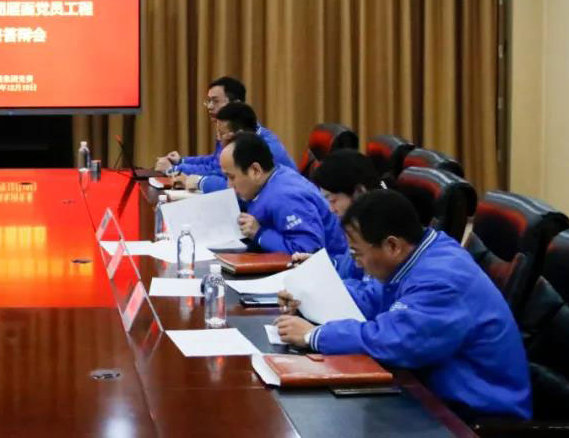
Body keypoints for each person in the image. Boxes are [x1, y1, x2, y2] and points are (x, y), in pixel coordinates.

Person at [274, 190, 532, 420]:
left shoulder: (441, 279)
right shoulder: (417, 254)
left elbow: (395, 340)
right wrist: (309, 297)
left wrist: (313, 335)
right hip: (429, 386)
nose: (357, 264)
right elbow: (372, 297)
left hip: (474, 412)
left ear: (392, 245)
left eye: (356, 254)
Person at [220, 132, 347, 256]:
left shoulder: (286, 197)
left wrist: (260, 234)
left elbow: (308, 252)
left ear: (255, 171)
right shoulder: (269, 179)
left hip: (332, 265)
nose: (229, 186)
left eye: (231, 177)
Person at [303, 149, 384, 279]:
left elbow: (370, 289)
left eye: (333, 200)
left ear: (359, 192)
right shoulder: (361, 221)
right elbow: (351, 268)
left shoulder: (381, 231)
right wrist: (321, 266)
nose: (331, 209)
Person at [182, 102, 295, 193]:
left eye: (221, 133)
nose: (219, 139)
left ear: (239, 134)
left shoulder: (261, 148)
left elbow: (240, 191)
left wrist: (201, 182)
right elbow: (223, 172)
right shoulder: (251, 136)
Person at [155, 76, 246, 174]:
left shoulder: (246, 136)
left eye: (215, 101)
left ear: (236, 104)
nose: (210, 106)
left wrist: (173, 169)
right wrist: (181, 161)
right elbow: (214, 161)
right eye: (209, 101)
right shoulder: (227, 128)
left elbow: (218, 172)